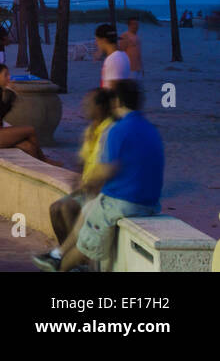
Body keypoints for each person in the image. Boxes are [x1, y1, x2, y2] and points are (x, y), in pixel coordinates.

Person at [35, 80, 163, 272]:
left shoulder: (118, 130)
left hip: (123, 202)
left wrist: (88, 183)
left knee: (84, 246)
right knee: (87, 211)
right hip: (150, 203)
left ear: (117, 101)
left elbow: (107, 169)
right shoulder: (151, 129)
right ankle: (57, 255)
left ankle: (60, 267)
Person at [39, 88, 115, 260]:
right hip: (87, 189)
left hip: (102, 191)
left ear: (101, 106)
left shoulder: (110, 131)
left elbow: (110, 167)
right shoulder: (91, 130)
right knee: (55, 208)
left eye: (89, 104)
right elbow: (82, 162)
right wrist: (77, 184)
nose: (85, 107)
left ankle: (79, 257)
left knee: (67, 208)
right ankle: (68, 254)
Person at [96, 24, 130, 89]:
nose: (96, 43)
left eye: (97, 40)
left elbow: (116, 91)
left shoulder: (114, 59)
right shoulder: (122, 55)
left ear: (103, 40)